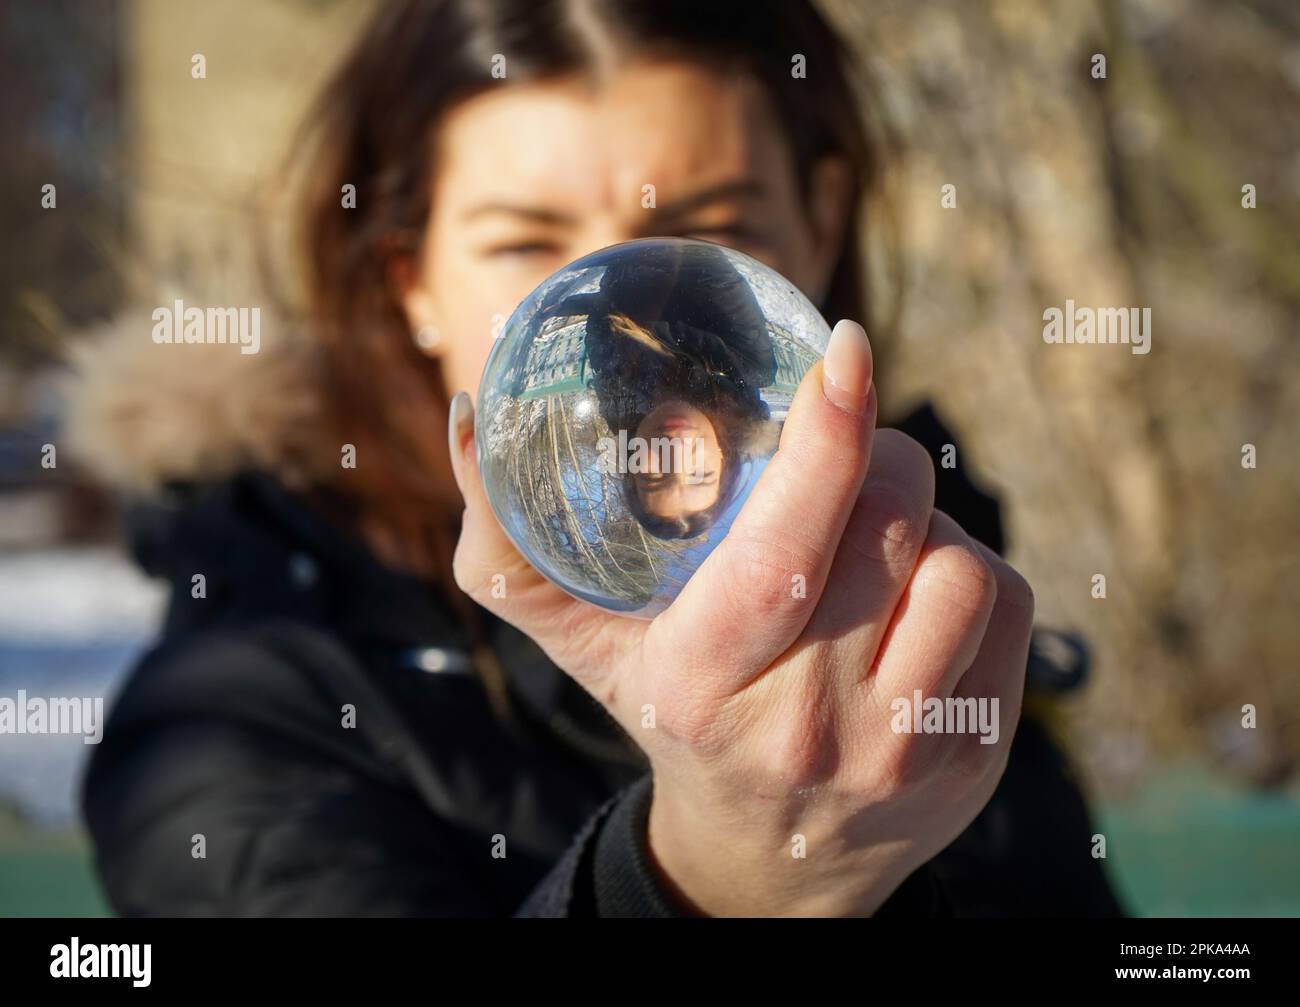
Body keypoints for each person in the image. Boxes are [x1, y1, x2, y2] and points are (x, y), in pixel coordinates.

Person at [74, 0, 1123, 916]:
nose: (630, 325)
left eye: (712, 233)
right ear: (411, 281)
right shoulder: (232, 715)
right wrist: (715, 884)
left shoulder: (928, 605)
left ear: (820, 224)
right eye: (528, 244)